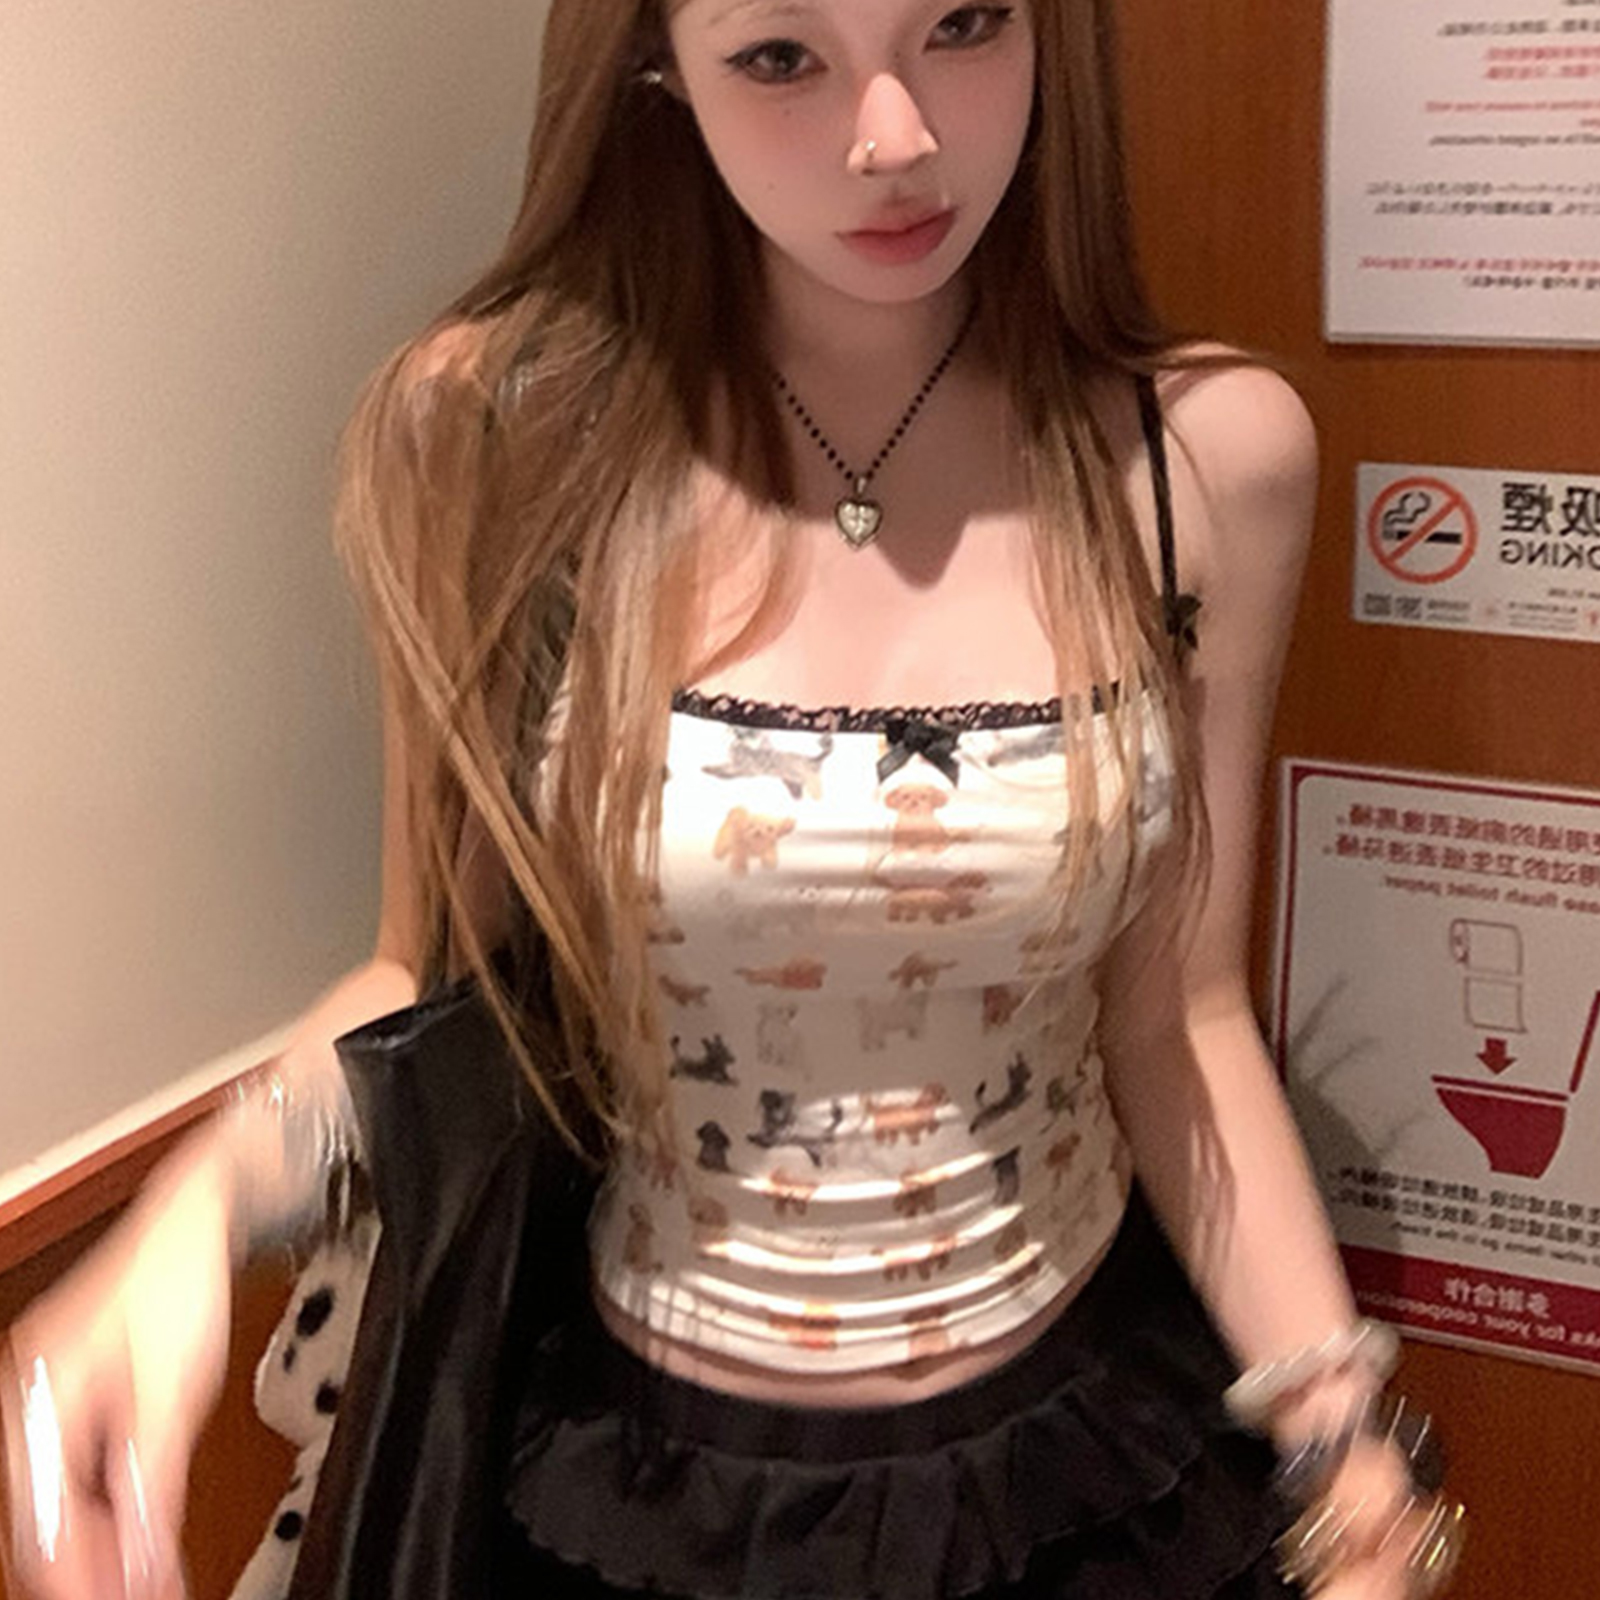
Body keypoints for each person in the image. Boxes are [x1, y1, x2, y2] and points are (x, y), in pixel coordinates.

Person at [1, 3, 1464, 1598]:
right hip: (640, 1472)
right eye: (781, 56)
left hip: (1076, 1446)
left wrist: (1346, 1454)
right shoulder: (496, 438)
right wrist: (194, 1206)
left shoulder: (1202, 459)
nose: (896, 137)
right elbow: (428, 981)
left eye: (965, 22)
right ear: (655, 65)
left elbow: (1177, 1017)